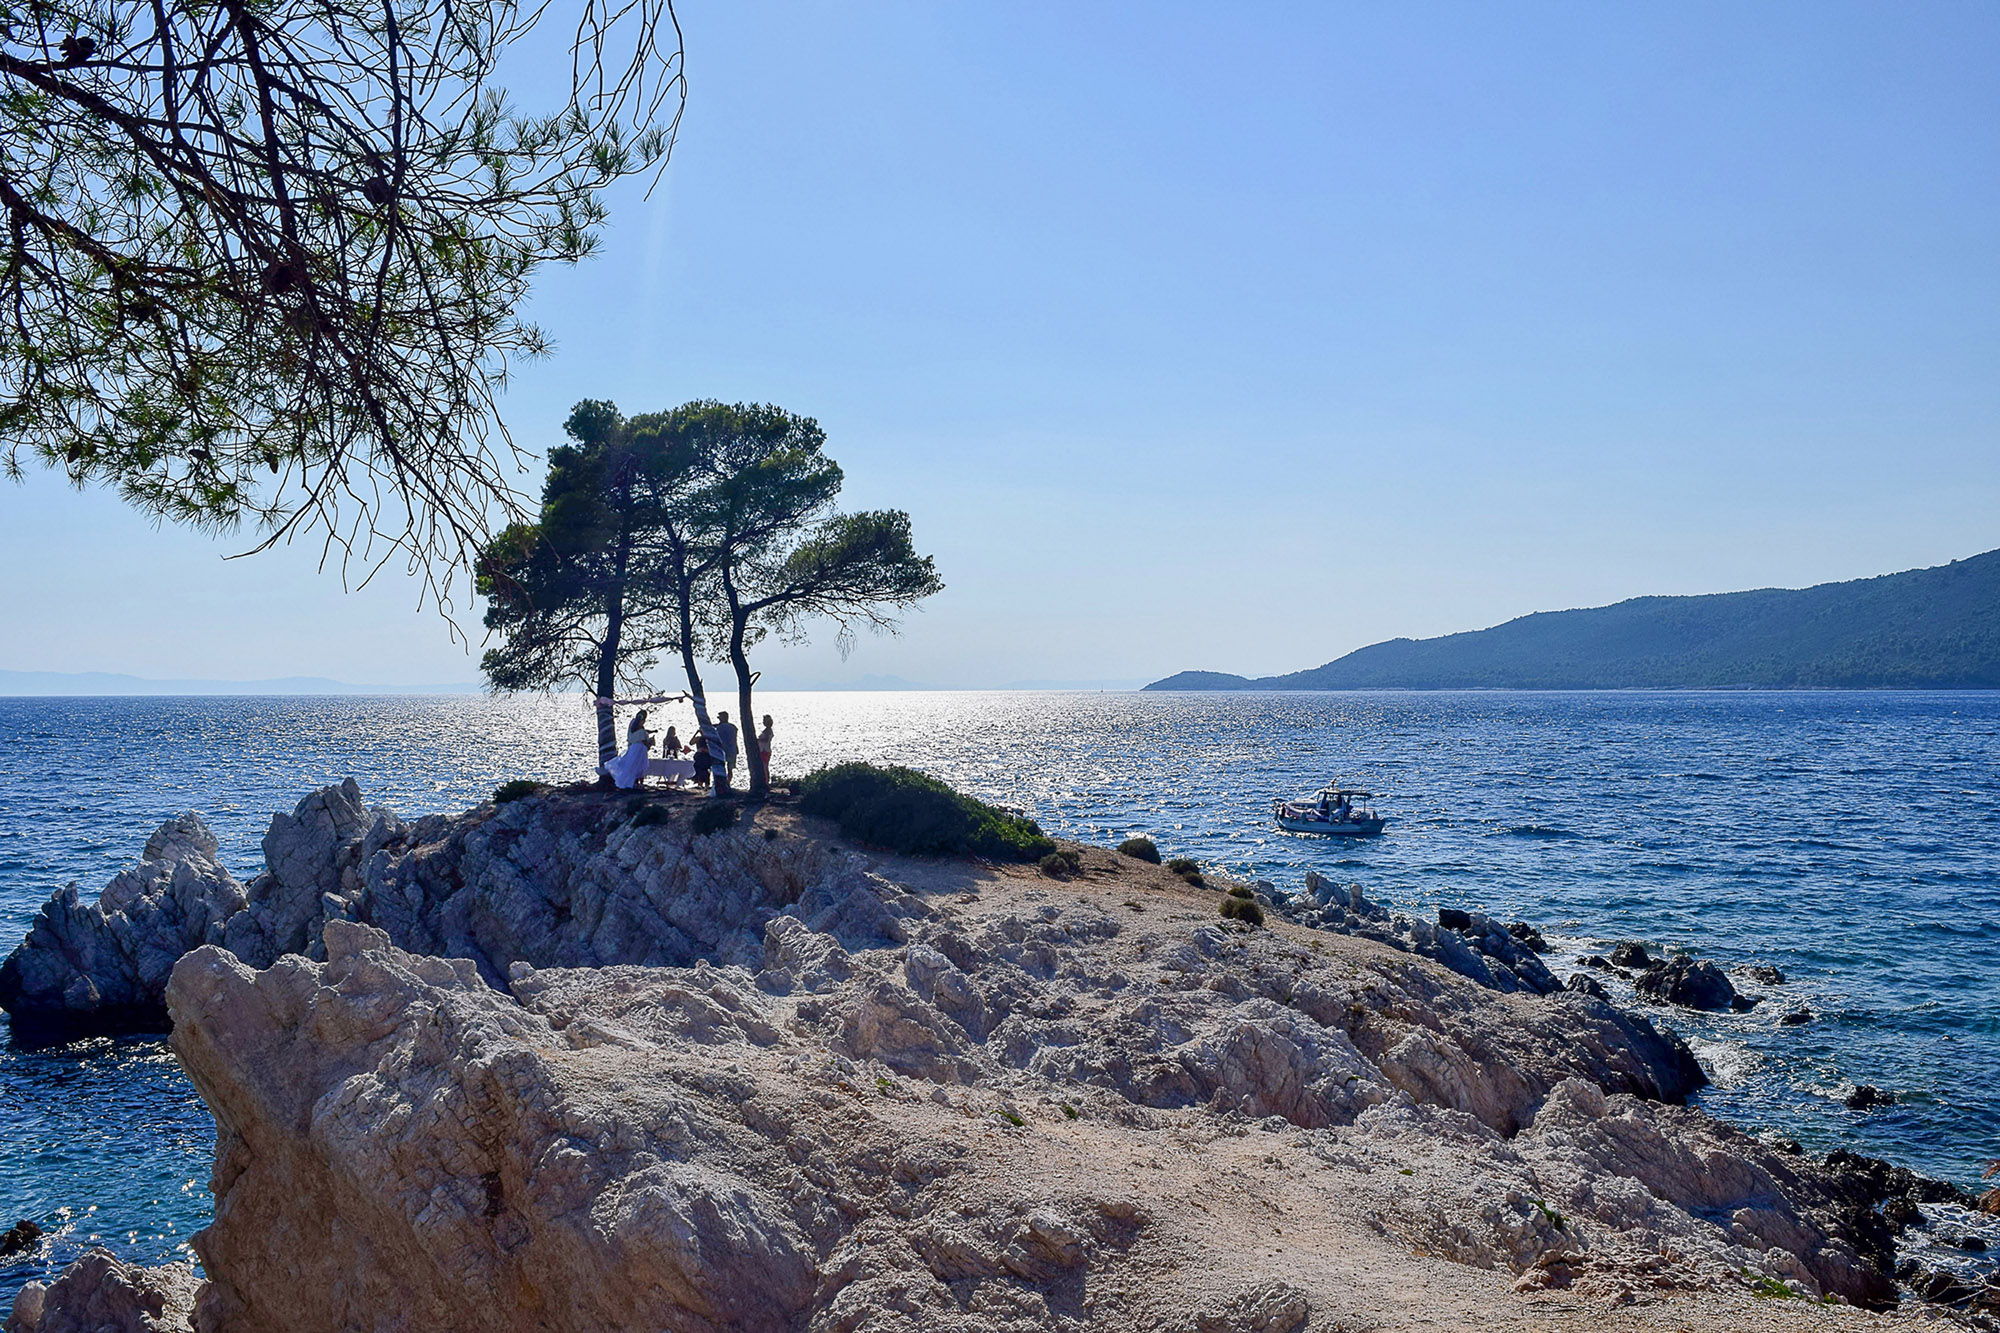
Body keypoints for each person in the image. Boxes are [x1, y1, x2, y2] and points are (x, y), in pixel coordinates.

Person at [601, 710, 653, 789]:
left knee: (634, 766)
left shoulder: (633, 726)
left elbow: (639, 736)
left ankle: (635, 783)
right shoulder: (641, 732)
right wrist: (650, 743)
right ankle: (637, 783)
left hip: (635, 749)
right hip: (639, 751)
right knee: (638, 767)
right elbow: (644, 741)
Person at [714, 711, 740, 784]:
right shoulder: (733, 727)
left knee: (720, 767)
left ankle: (722, 782)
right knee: (730, 769)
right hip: (732, 750)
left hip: (722, 750)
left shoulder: (719, 728)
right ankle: (728, 782)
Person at [756, 715, 774, 779]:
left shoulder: (768, 730)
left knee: (765, 767)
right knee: (764, 767)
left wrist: (758, 740)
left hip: (765, 750)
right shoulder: (766, 730)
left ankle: (766, 780)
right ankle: (766, 780)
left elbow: (766, 740)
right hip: (764, 750)